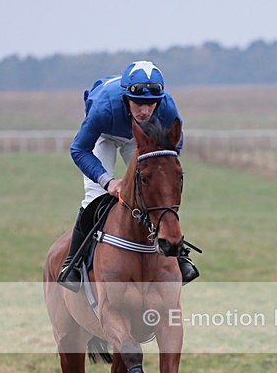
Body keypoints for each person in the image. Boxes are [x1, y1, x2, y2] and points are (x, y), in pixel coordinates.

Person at [58, 60, 199, 289]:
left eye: (151, 104)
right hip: (103, 134)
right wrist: (108, 181)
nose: (144, 111)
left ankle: (178, 254)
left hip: (139, 137)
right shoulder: (104, 107)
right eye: (138, 103)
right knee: (94, 197)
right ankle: (71, 264)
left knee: (157, 194)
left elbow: (172, 150)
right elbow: (79, 149)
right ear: (125, 98)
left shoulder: (167, 108)